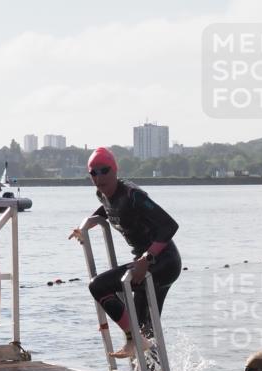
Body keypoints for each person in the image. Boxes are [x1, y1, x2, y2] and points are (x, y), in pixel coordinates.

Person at [69, 147, 181, 358]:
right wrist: (88, 223)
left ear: (115, 170)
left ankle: (134, 339)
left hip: (162, 261)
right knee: (143, 329)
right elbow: (108, 207)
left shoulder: (133, 195)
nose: (99, 177)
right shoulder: (102, 193)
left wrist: (146, 259)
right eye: (94, 173)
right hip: (148, 262)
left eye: (104, 170)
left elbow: (170, 226)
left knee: (98, 286)